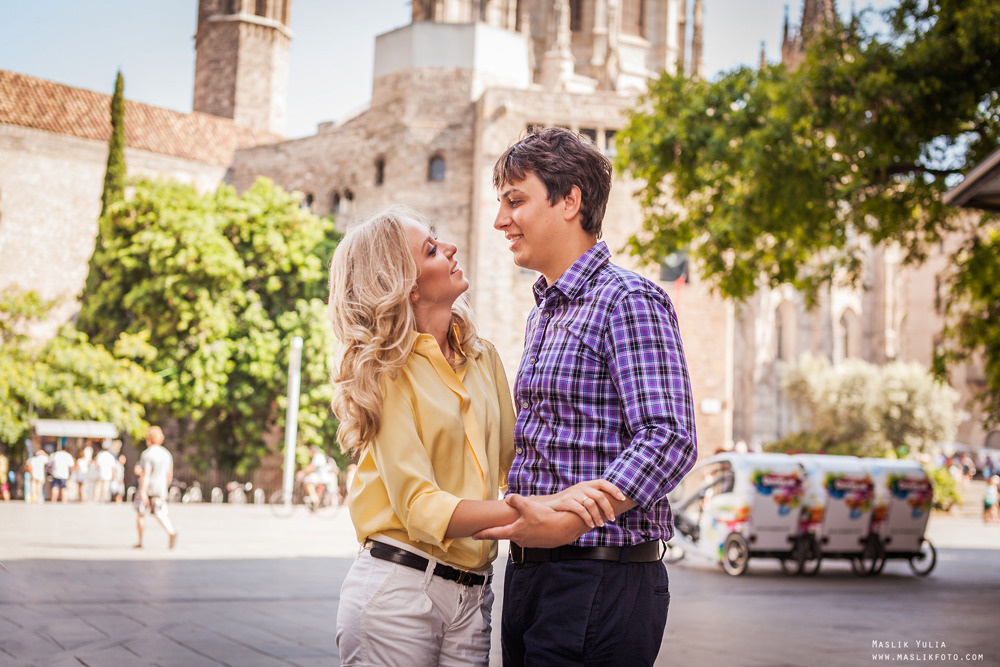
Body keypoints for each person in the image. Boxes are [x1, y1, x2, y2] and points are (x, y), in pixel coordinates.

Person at [328, 207, 616, 666]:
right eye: (431, 249)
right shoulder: (383, 373)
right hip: (399, 591)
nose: (451, 248)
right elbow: (421, 506)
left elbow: (512, 466)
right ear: (407, 284)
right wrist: (547, 508)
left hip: (474, 595)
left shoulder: (484, 358)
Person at [480, 127, 698, 666]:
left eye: (515, 200)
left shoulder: (628, 299)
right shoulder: (545, 312)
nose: (500, 220)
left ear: (570, 200)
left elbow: (670, 438)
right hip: (534, 574)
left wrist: (574, 520)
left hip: (600, 574)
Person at [134, 426, 178, 549]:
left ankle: (140, 541)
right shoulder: (166, 454)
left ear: (148, 439)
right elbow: (170, 474)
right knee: (160, 513)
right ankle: (171, 531)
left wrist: (142, 491)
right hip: (160, 487)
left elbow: (146, 474)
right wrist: (166, 487)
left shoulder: (147, 454)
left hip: (148, 487)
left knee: (141, 513)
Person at [298, 444, 333, 510]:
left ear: (313, 451)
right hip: (320, 476)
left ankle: (314, 499)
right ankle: (314, 499)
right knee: (311, 481)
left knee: (307, 481)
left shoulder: (318, 456)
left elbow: (312, 467)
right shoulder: (320, 456)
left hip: (321, 476)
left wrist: (303, 472)